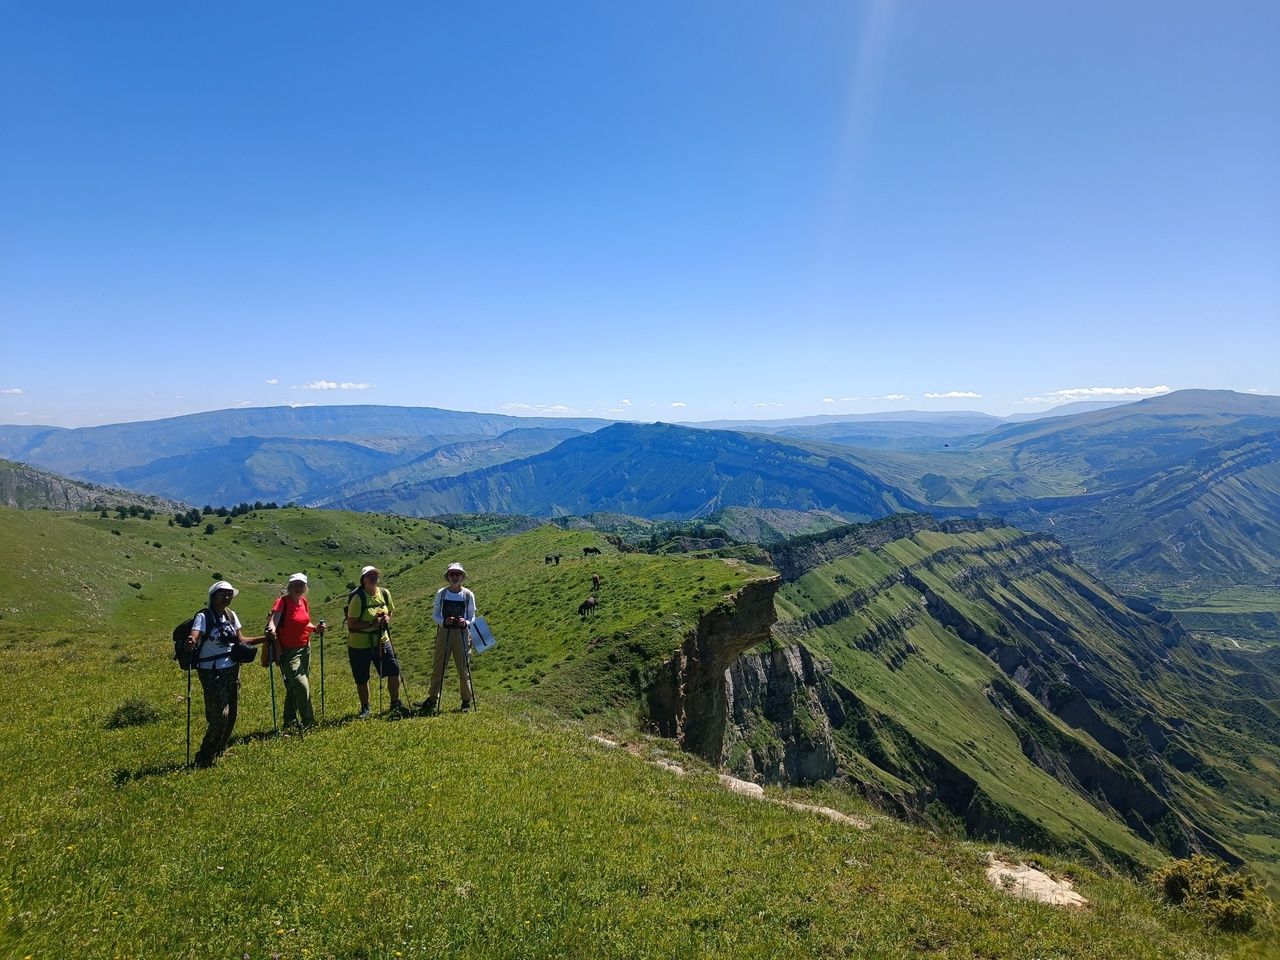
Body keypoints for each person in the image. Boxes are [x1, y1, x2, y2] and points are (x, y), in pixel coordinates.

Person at [185, 580, 266, 768]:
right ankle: (204, 755)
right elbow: (195, 634)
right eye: (223, 594)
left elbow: (241, 640)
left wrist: (265, 638)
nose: (227, 597)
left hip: (232, 668)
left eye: (230, 594)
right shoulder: (204, 616)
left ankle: (218, 750)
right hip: (211, 670)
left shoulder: (230, 616)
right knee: (220, 715)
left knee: (232, 714)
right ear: (213, 596)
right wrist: (191, 641)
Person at [346, 565, 409, 718]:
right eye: (369, 576)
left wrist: (387, 618)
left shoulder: (385, 593)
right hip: (359, 643)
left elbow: (390, 612)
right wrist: (371, 624)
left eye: (375, 575)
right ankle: (365, 708)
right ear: (363, 580)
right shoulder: (358, 598)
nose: (373, 577)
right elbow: (351, 624)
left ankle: (395, 703)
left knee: (394, 670)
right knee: (362, 677)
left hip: (381, 640)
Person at [421, 562, 475, 714]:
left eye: (458, 574)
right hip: (444, 632)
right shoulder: (441, 593)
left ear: (462, 577)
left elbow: (472, 616)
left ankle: (466, 700)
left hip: (461, 633)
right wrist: (444, 621)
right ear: (448, 576)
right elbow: (435, 615)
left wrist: (466, 622)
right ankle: (432, 698)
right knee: (438, 666)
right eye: (452, 574)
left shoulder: (468, 594)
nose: (455, 577)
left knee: (463, 668)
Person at [266, 572, 317, 729]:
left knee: (294, 686)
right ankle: (308, 721)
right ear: (289, 586)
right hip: (288, 651)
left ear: (305, 587)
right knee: (301, 685)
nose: (298, 587)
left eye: (301, 584)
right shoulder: (282, 602)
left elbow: (304, 624)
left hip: (305, 648)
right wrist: (271, 629)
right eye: (295, 584)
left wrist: (316, 629)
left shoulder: (304, 602)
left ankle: (289, 721)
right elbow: (273, 621)